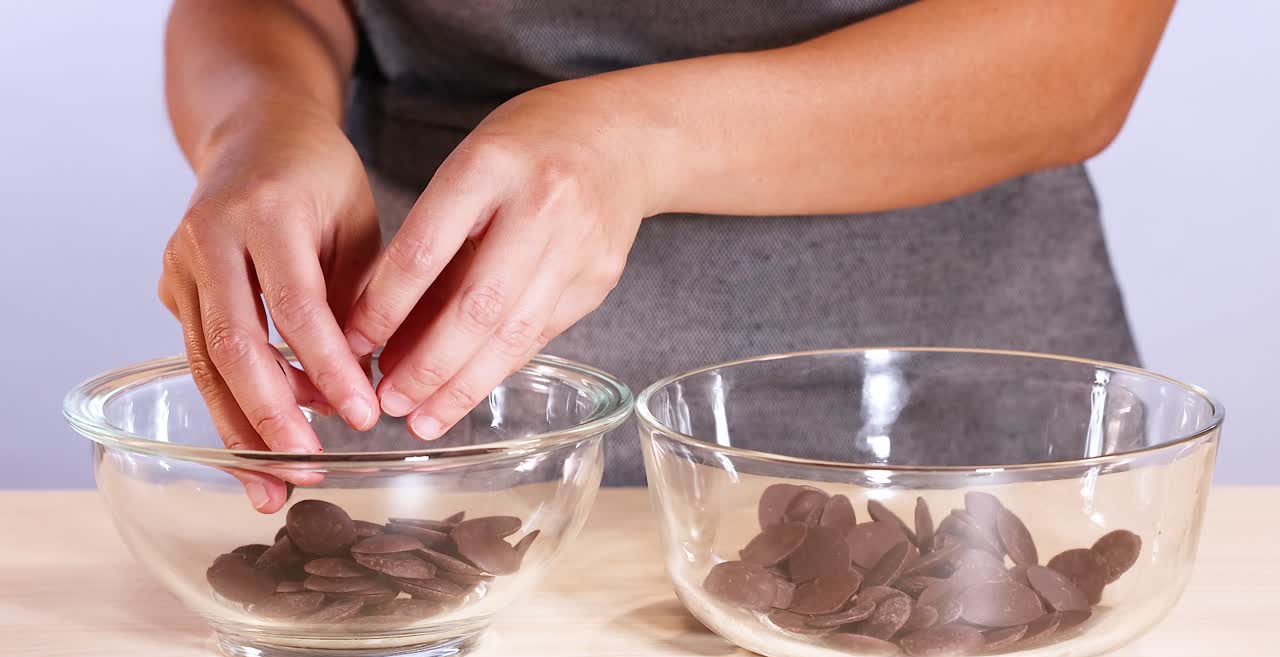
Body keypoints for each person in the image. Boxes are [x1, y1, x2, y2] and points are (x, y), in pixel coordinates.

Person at [159, 0, 1174, 512]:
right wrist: (260, 124)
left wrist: (640, 140)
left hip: (946, 421)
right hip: (432, 428)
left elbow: (1086, 45)